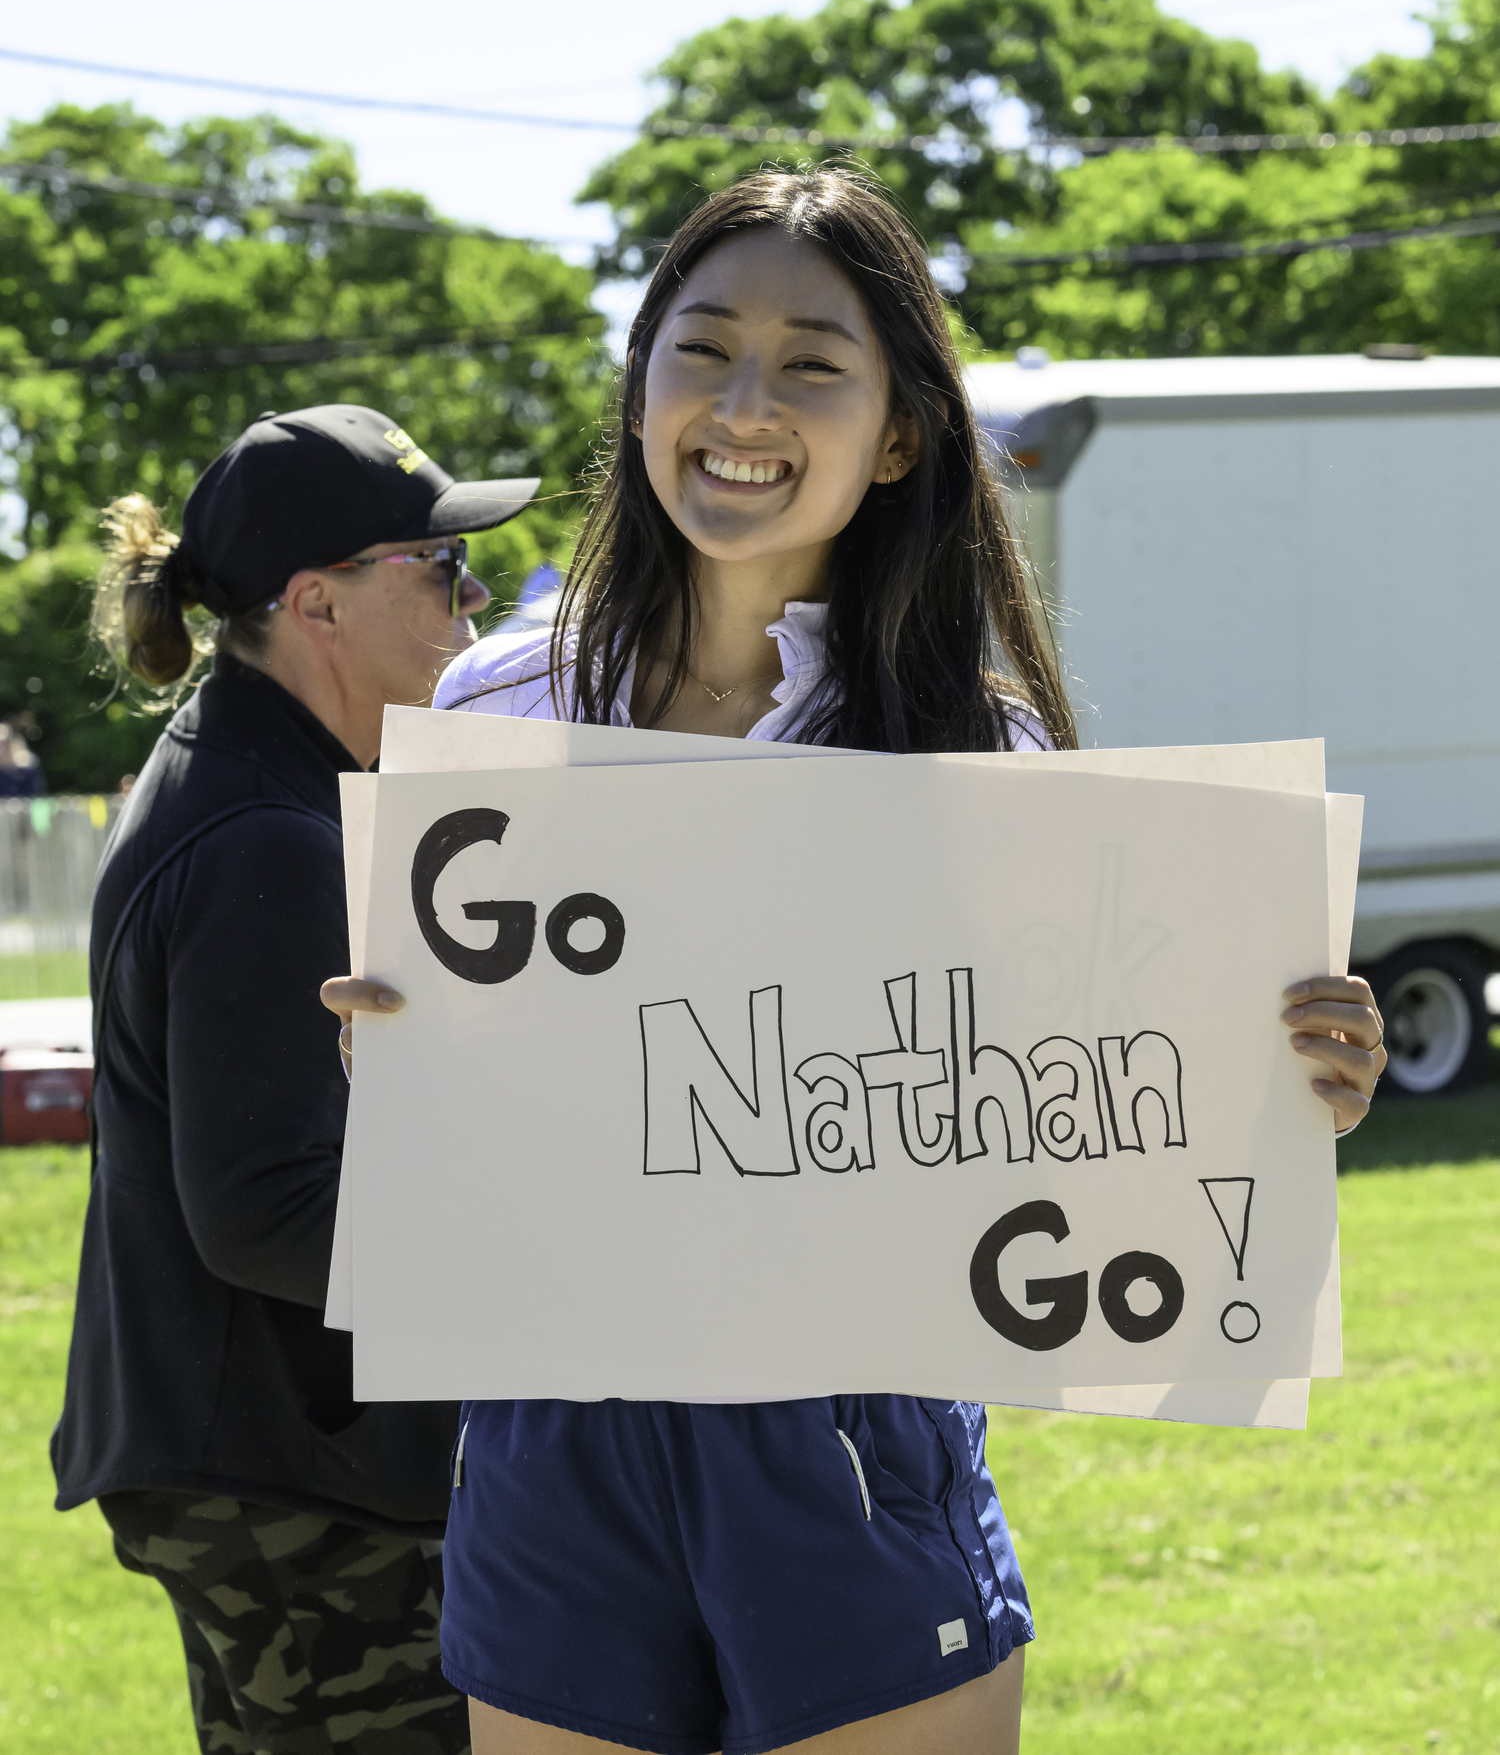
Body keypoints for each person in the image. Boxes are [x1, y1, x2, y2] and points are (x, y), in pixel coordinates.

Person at [326, 171, 1388, 1755]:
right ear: (639, 390)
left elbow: (1085, 1118)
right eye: (705, 349)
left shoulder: (981, 748)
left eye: (813, 362)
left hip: (852, 1438)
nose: (745, 404)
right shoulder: (493, 709)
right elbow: (466, 1103)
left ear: (898, 435)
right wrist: (389, 1056)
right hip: (557, 1435)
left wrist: (1280, 1085)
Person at [54, 404, 537, 1755]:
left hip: (275, 1459)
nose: (473, 598)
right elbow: (263, 1205)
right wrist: (543, 1263)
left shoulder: (264, 781)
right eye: (438, 570)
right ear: (318, 602)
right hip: (295, 1479)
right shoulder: (267, 835)